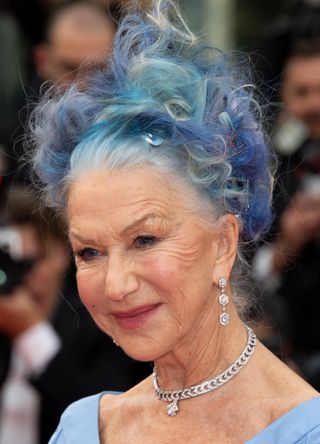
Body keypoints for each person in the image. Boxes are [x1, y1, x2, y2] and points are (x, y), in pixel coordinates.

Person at [28, 1, 320, 442]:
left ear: (223, 243)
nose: (115, 285)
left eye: (145, 239)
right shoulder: (83, 427)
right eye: (89, 252)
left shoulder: (302, 429)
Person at [0, 185, 150, 444]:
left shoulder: (100, 322)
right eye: (8, 264)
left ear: (61, 253)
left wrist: (31, 334)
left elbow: (100, 419)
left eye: (30, 262)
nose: (20, 276)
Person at [252, 38, 320, 385]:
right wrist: (287, 246)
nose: (314, 104)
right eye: (303, 92)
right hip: (294, 360)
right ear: (284, 95)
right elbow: (245, 274)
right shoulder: (271, 171)